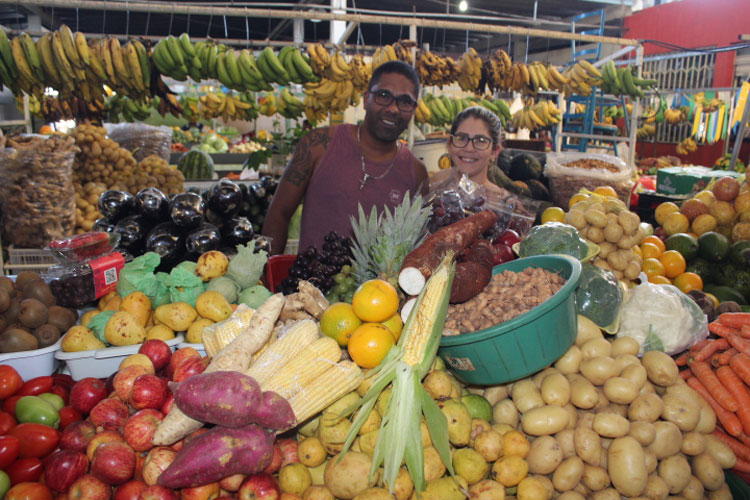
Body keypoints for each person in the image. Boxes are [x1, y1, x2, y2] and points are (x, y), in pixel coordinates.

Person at [262, 60, 428, 255]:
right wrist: (269, 273)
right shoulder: (318, 145)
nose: (393, 108)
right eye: (384, 96)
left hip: (379, 286)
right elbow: (279, 213)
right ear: (367, 99)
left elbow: (416, 243)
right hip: (309, 283)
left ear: (414, 109)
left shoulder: (416, 173)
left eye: (405, 101)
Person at [447, 106, 505, 193]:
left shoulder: (502, 203)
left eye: (481, 140)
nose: (469, 148)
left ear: (495, 151)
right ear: (449, 144)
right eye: (462, 138)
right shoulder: (433, 189)